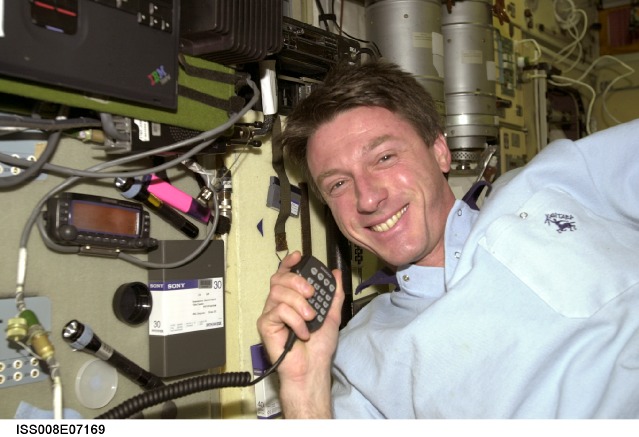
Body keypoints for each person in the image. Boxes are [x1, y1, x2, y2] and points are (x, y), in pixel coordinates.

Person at [256, 60, 639, 419]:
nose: (368, 199)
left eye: (384, 158)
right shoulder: (361, 361)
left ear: (440, 151)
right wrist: (303, 385)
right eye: (339, 184)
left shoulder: (551, 181)